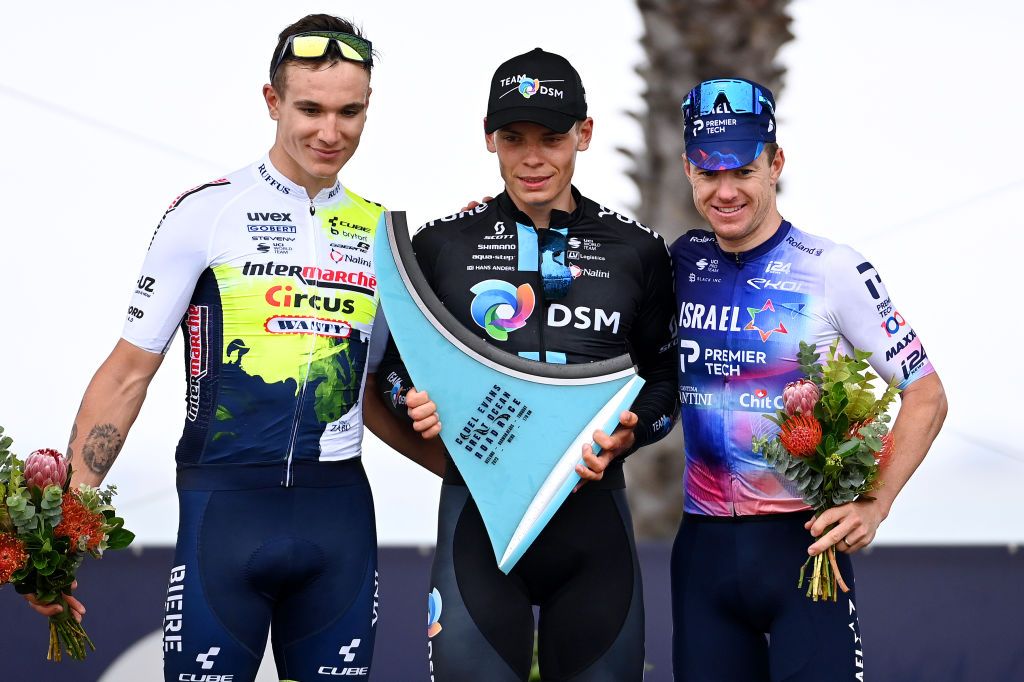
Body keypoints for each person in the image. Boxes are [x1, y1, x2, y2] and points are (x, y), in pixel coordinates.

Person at [24, 14, 443, 681]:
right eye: (309, 108)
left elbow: (386, 389)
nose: (329, 132)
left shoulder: (384, 235)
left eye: (348, 112)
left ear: (368, 110)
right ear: (272, 101)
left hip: (339, 519)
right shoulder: (207, 212)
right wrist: (61, 527)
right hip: (224, 514)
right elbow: (129, 372)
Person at [377, 48, 678, 681]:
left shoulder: (637, 250)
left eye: (553, 137)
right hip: (476, 528)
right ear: (490, 138)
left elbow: (666, 383)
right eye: (514, 138)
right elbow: (392, 373)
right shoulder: (441, 246)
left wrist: (630, 432)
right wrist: (416, 404)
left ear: (585, 134)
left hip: (594, 527)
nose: (533, 157)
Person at [668, 78, 948, 681]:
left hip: (805, 549)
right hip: (701, 551)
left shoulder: (834, 269)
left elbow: (925, 393)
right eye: (708, 173)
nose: (725, 191)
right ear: (688, 170)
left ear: (776, 164)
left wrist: (876, 502)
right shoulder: (678, 265)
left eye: (743, 170)